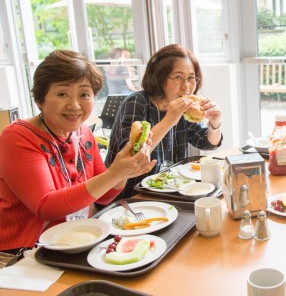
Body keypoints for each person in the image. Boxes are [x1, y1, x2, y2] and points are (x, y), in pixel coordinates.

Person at [0, 50, 156, 253]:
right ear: (40, 99)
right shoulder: (18, 137)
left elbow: (104, 196)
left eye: (84, 94)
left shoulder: (82, 133)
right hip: (25, 253)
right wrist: (114, 173)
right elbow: (45, 207)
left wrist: (123, 172)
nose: (74, 105)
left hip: (78, 241)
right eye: (62, 94)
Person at [105, 43, 223, 199]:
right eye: (178, 78)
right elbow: (132, 156)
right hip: (131, 197)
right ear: (159, 77)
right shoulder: (136, 103)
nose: (186, 86)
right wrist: (169, 120)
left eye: (190, 78)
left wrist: (215, 123)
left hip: (171, 192)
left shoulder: (182, 106)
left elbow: (207, 142)